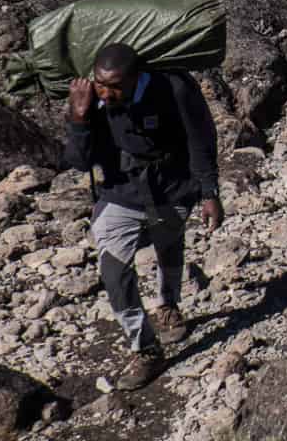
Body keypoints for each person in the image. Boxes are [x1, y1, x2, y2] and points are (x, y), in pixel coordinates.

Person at [63, 43, 222, 391]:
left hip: (172, 185)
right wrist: (79, 117)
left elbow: (201, 138)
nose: (108, 91)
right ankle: (146, 349)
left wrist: (210, 192)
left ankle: (168, 305)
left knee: (169, 247)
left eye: (117, 85)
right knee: (113, 270)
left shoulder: (174, 87)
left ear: (139, 76)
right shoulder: (91, 99)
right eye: (101, 83)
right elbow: (77, 161)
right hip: (120, 191)